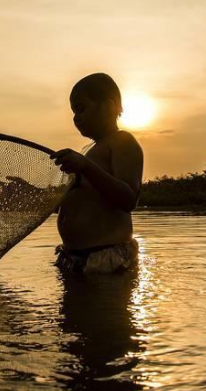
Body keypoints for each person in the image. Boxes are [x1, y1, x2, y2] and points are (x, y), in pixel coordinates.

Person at [50, 73, 144, 274]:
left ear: (109, 107)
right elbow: (74, 202)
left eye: (81, 108)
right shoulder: (88, 153)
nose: (76, 118)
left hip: (106, 262)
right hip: (75, 260)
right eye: (73, 112)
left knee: (103, 306)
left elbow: (128, 199)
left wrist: (85, 166)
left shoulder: (122, 142)